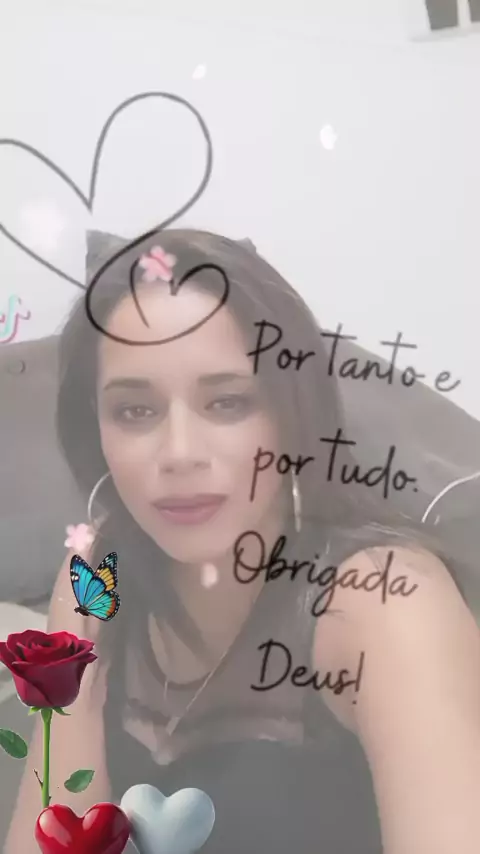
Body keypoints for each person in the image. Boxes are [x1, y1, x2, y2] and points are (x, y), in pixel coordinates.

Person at [6, 229, 480, 854]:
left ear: (294, 414)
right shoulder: (93, 583)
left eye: (228, 402)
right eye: (135, 411)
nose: (179, 453)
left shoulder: (387, 603)